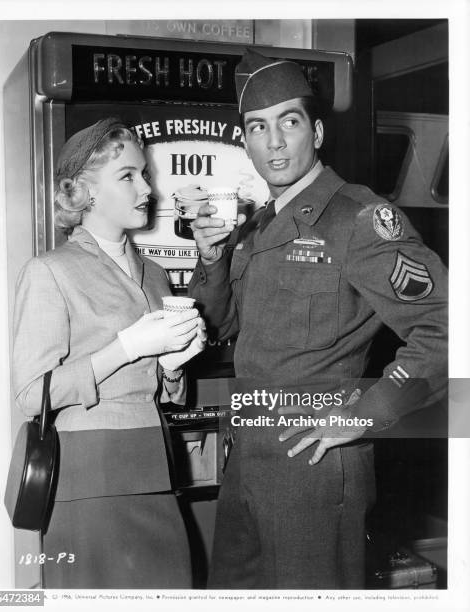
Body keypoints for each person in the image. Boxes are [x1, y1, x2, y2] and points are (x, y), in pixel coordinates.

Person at [188, 49, 447, 589]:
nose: (275, 141)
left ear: (318, 132)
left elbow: (446, 330)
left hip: (313, 463)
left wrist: (362, 415)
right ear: (247, 143)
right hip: (247, 459)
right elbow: (219, 328)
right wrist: (211, 259)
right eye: (258, 127)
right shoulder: (257, 228)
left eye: (289, 121)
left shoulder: (359, 218)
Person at [12, 118, 206, 588]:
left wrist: (172, 367)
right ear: (85, 193)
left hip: (156, 468)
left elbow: (159, 391)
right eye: (128, 176)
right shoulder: (49, 271)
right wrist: (125, 348)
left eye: (145, 174)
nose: (147, 188)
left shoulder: (156, 274)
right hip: (90, 476)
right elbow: (30, 394)